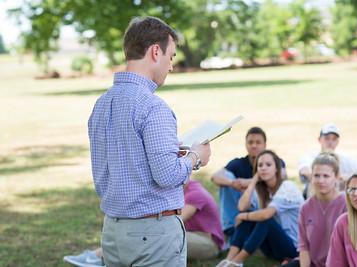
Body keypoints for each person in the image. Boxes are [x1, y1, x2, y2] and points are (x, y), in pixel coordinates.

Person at [88, 16, 211, 267]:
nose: (171, 66)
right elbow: (166, 175)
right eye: (172, 56)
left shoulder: (101, 104)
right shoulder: (153, 106)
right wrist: (196, 157)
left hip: (113, 231)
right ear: (156, 51)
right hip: (154, 235)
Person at [63, 178, 224, 266]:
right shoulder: (183, 190)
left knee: (163, 233)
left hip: (208, 243)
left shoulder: (195, 193)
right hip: (192, 236)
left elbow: (178, 220)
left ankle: (95, 258)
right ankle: (96, 257)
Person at [216, 150, 304, 267]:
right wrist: (253, 182)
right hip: (272, 249)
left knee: (265, 220)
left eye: (268, 165)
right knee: (249, 215)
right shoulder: (261, 190)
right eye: (260, 165)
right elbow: (242, 207)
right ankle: (228, 259)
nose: (263, 168)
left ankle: (236, 262)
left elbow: (266, 214)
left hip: (293, 248)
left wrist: (242, 216)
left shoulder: (287, 187)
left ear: (276, 168)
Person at [211, 127, 287, 242]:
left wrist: (247, 183)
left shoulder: (274, 161)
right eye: (250, 142)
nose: (254, 146)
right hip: (243, 204)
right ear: (246, 144)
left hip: (267, 206)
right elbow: (215, 177)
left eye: (258, 142)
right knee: (226, 180)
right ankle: (230, 230)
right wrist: (232, 183)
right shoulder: (238, 163)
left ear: (265, 144)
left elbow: (282, 175)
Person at [283, 152, 347, 267]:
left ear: (336, 177)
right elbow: (304, 247)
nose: (321, 180)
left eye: (326, 176)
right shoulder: (306, 207)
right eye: (317, 175)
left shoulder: (346, 204)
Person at [298, 123, 357, 198]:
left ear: (337, 142)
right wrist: (328, 179)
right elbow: (304, 171)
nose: (330, 142)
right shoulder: (310, 156)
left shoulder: (345, 158)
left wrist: (345, 178)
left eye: (334, 139)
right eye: (327, 138)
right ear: (319, 139)